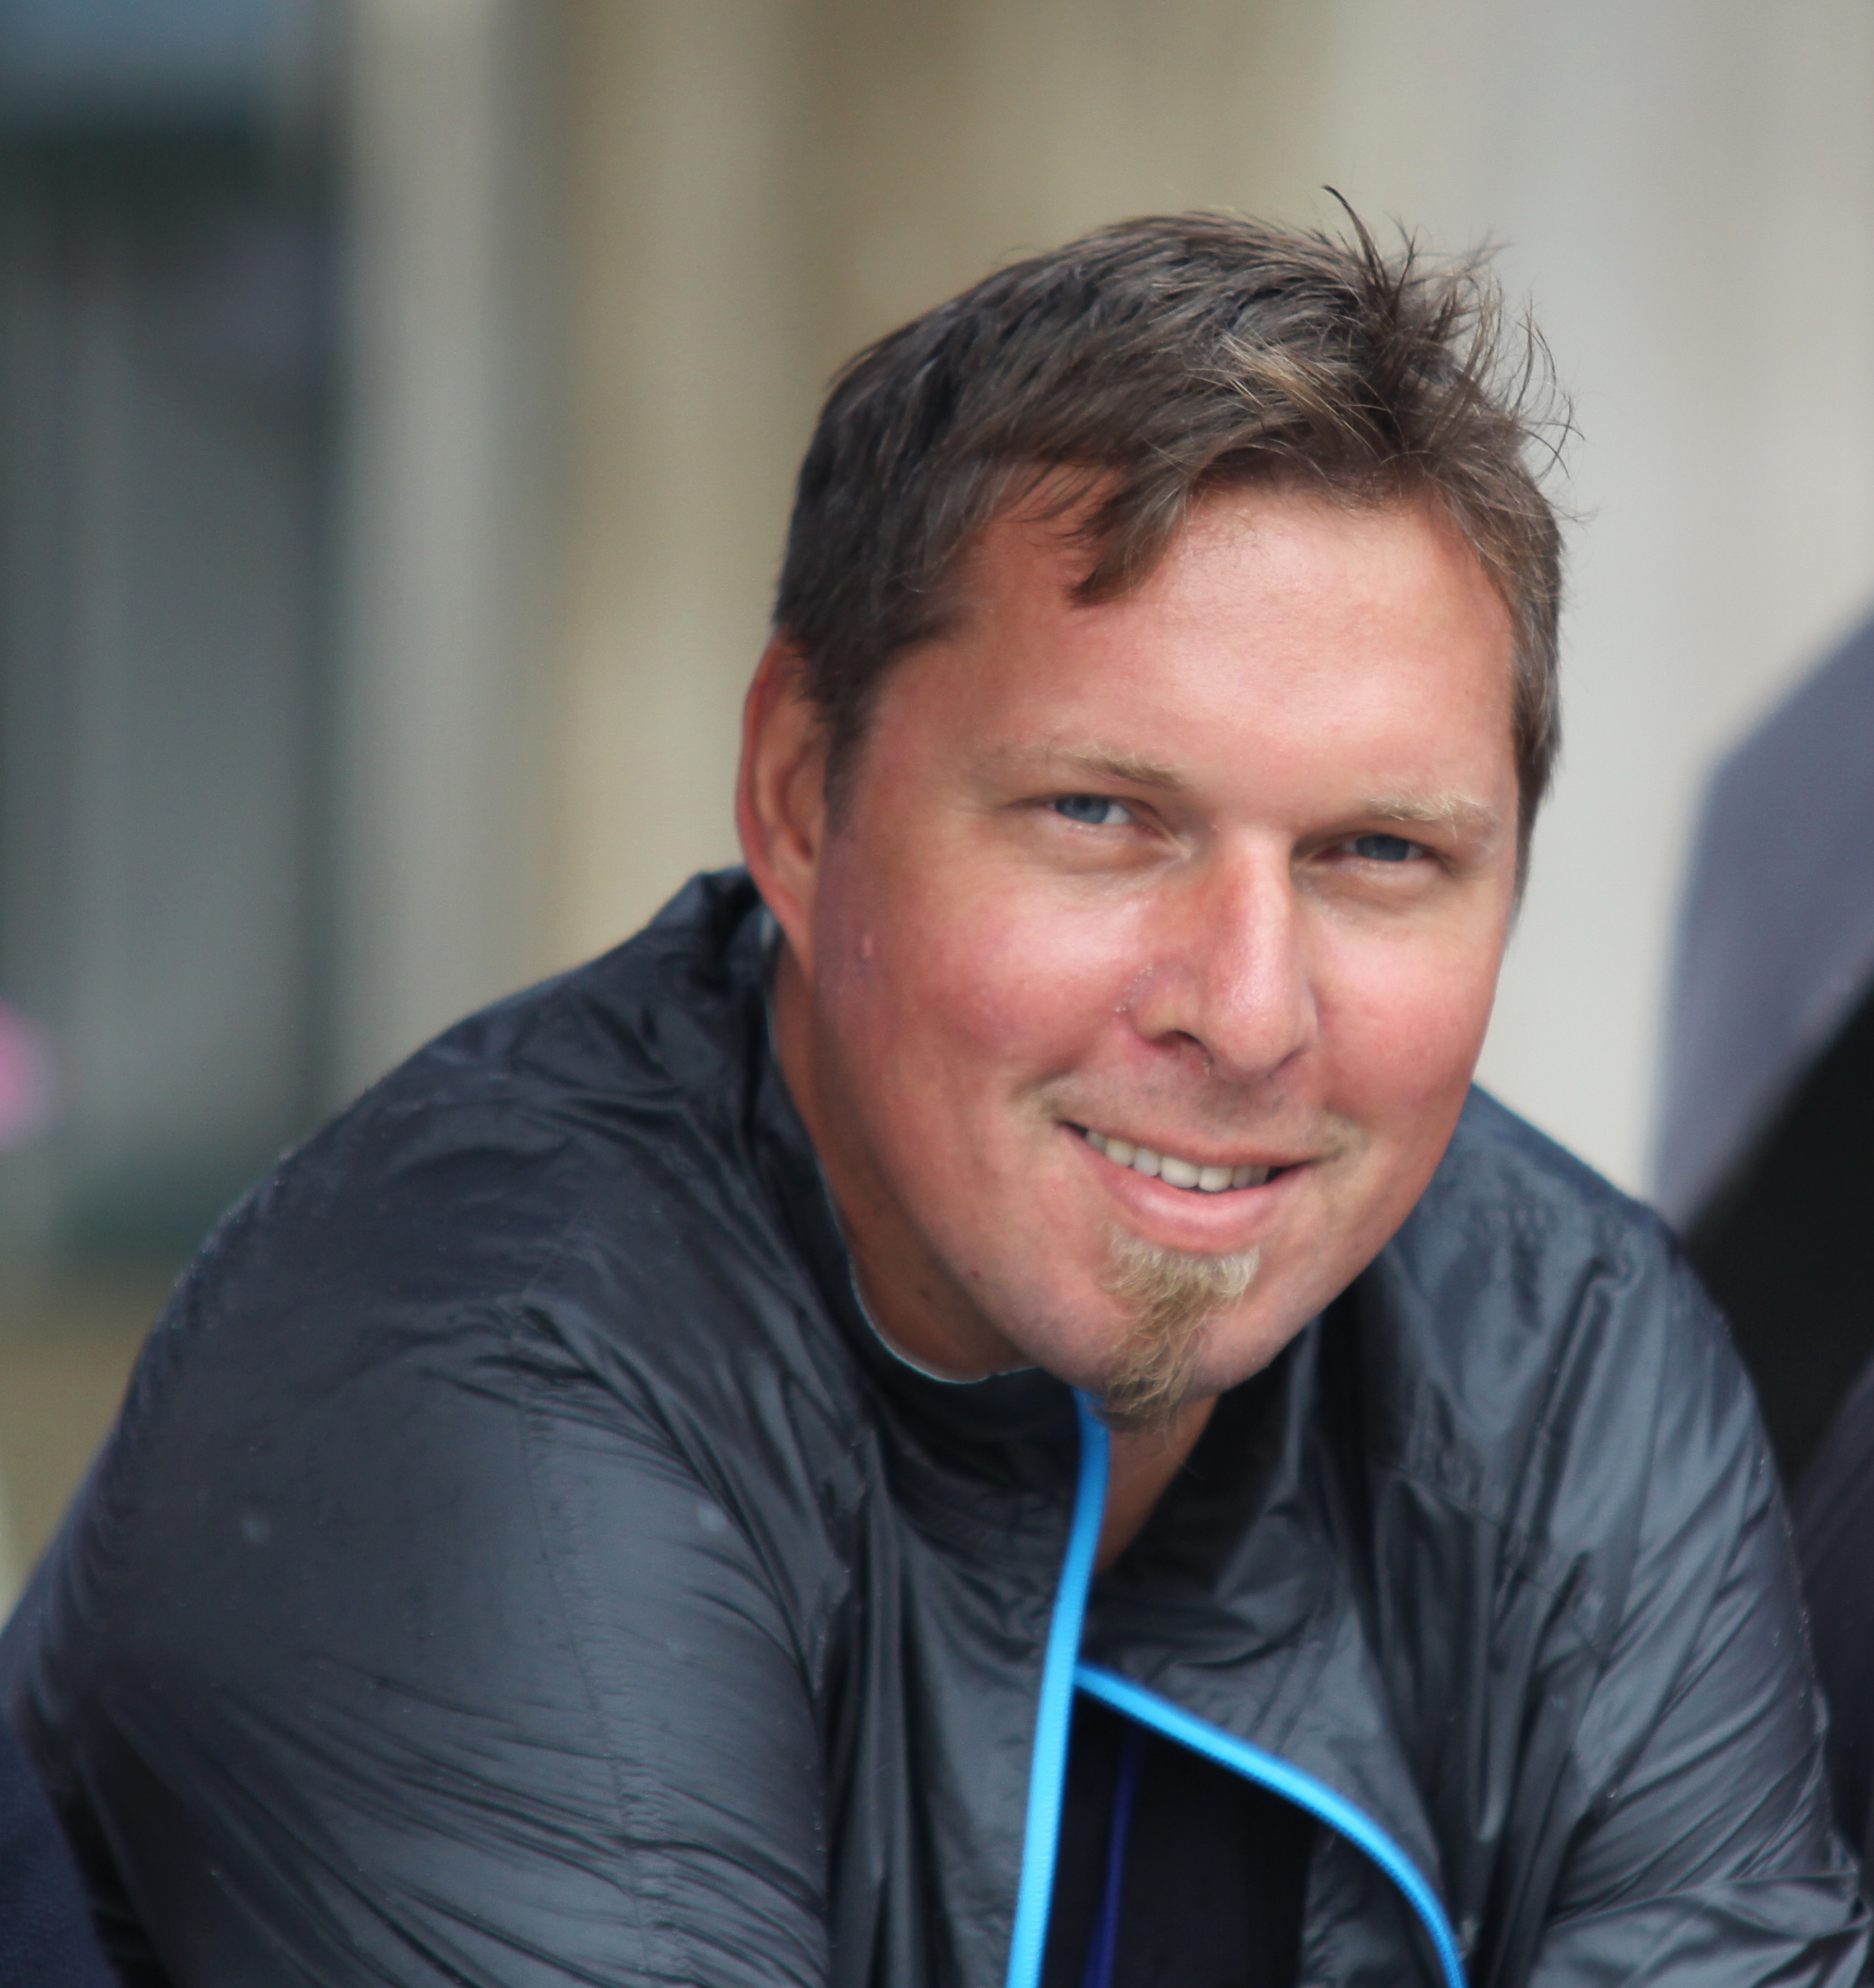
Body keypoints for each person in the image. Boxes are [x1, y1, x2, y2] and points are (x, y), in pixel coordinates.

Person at [1, 214, 1863, 1988]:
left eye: (1378, 852)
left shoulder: (1569, 1348)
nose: (1246, 1012)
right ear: (799, 798)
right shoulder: (478, 1381)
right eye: (1100, 815)